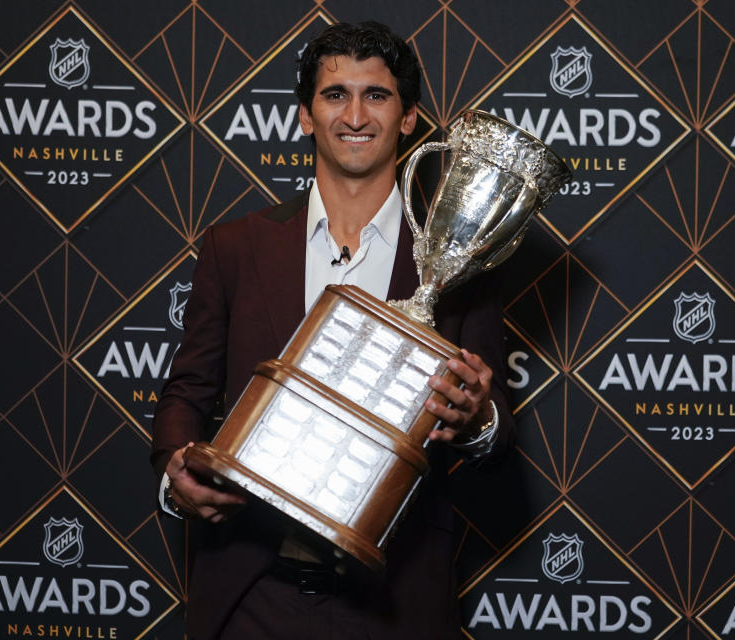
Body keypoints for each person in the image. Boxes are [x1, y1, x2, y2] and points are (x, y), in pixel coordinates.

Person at [151, 21, 514, 639]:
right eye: (334, 94)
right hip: (251, 593)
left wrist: (479, 420)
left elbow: (497, 429)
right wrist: (175, 473)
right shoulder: (235, 247)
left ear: (408, 119)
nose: (355, 114)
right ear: (303, 116)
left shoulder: (459, 261)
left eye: (376, 95)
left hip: (394, 598)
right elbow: (186, 393)